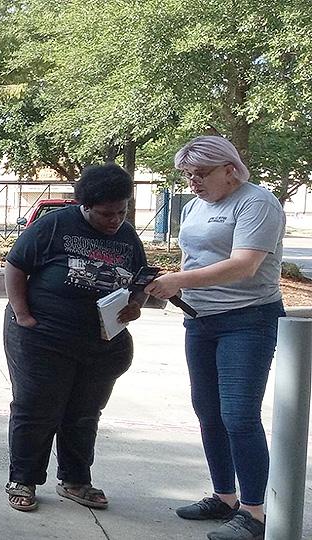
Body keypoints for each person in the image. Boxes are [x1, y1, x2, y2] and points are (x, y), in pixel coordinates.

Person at [144, 136, 284, 540]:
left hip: (248, 320)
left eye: (202, 173)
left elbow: (244, 266)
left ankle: (255, 514)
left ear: (230, 169)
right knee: (208, 414)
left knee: (239, 416)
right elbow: (195, 257)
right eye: (188, 174)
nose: (193, 182)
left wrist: (177, 281)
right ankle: (225, 498)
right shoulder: (193, 206)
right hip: (200, 320)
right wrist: (166, 284)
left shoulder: (256, 203)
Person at [2, 163, 147, 512]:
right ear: (85, 205)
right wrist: (23, 315)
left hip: (100, 343)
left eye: (121, 212)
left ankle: (76, 480)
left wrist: (135, 306)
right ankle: (23, 478)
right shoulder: (55, 226)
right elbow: (15, 266)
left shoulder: (127, 236)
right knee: (36, 408)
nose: (114, 220)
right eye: (105, 214)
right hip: (41, 337)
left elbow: (140, 280)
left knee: (84, 413)